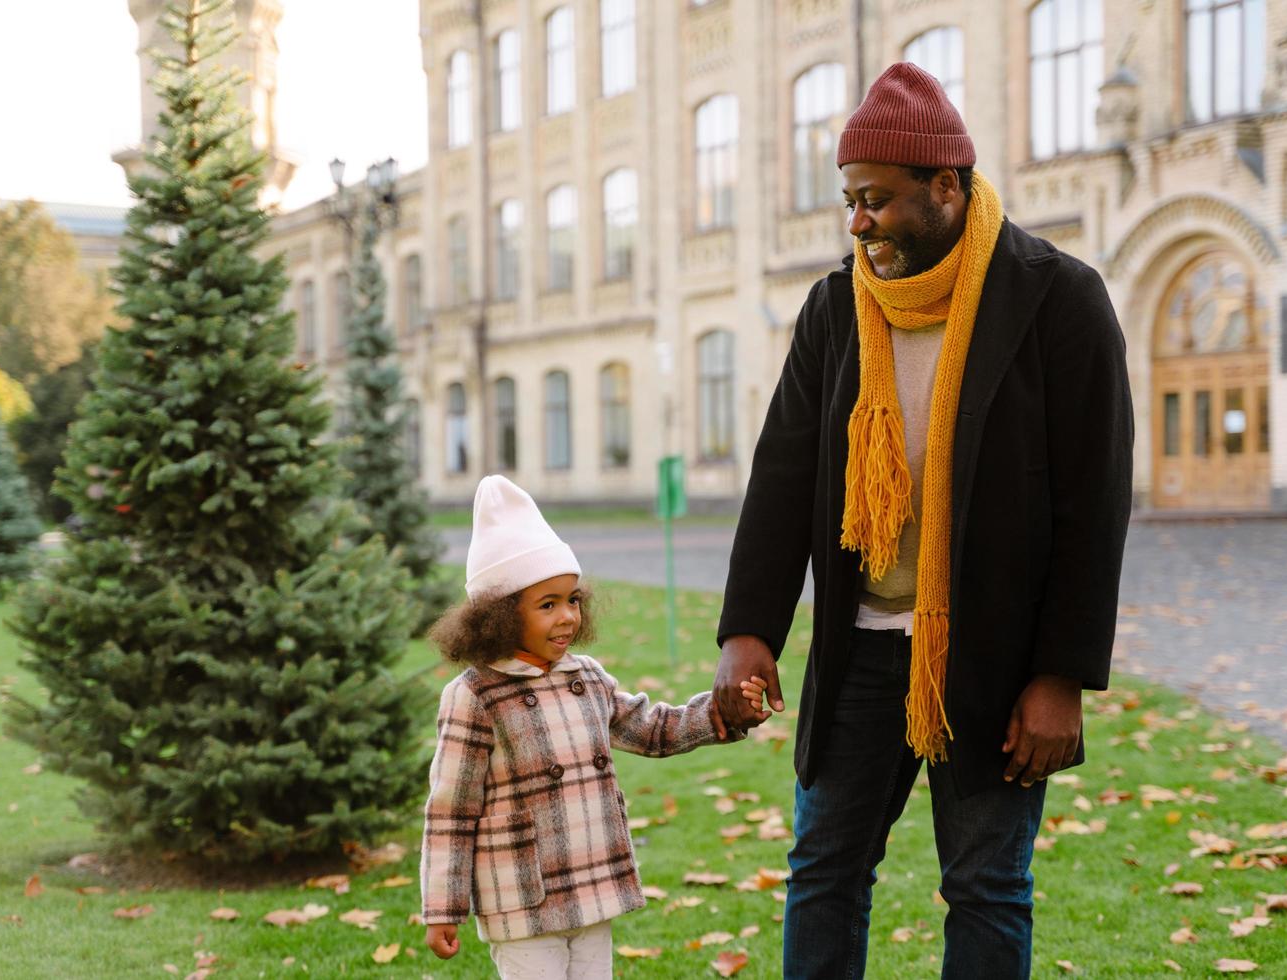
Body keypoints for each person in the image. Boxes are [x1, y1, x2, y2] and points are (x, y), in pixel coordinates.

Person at [710, 63, 1134, 978]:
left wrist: (1062, 676)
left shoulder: (1060, 299)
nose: (858, 222)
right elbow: (783, 477)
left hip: (993, 658)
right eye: (850, 202)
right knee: (824, 870)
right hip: (860, 650)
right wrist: (749, 634)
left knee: (986, 885)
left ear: (947, 187)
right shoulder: (836, 310)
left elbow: (1093, 506)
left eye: (878, 199)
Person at [420, 474, 739, 980]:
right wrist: (443, 906)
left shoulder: (586, 677)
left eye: (572, 599)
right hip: (522, 899)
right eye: (547, 605)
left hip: (594, 886)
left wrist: (720, 713)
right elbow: (451, 811)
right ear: (498, 616)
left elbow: (652, 729)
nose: (567, 616)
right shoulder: (474, 696)